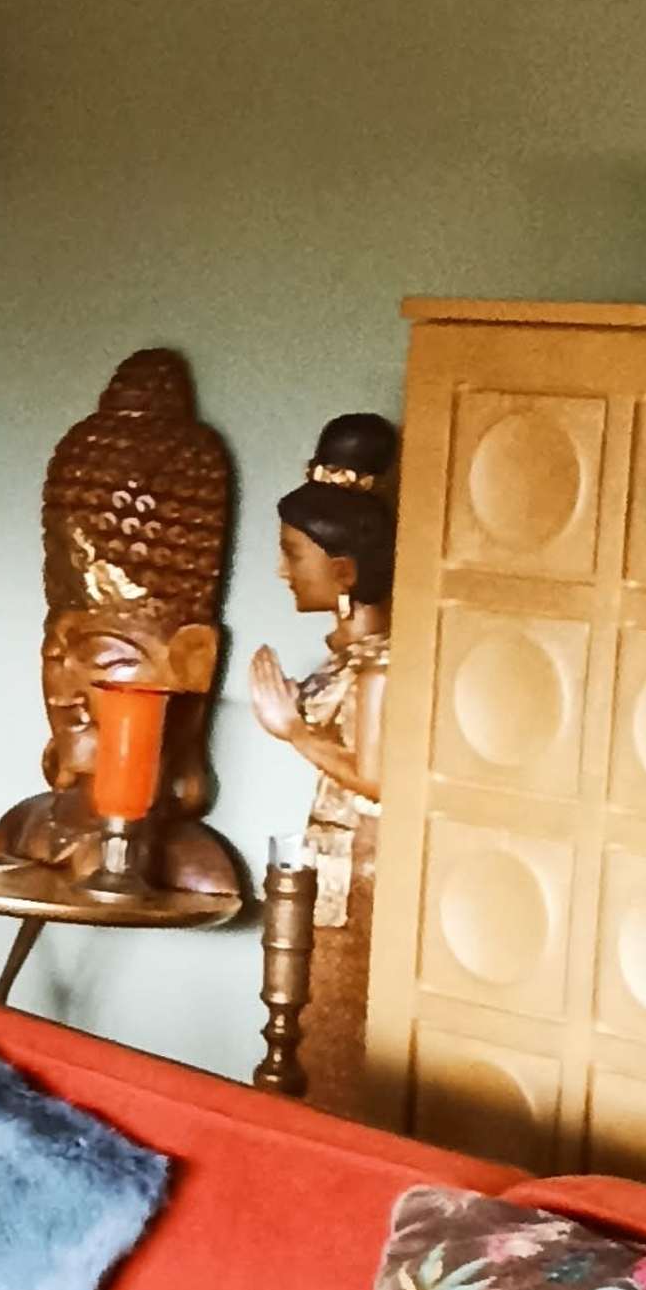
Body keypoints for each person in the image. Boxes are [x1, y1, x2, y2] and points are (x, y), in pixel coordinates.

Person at [246, 416, 399, 1102]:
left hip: (364, 880)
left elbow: (378, 777)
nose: (283, 570)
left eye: (293, 554)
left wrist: (292, 731)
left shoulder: (380, 666)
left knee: (337, 1053)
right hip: (327, 872)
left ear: (342, 570)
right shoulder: (350, 660)